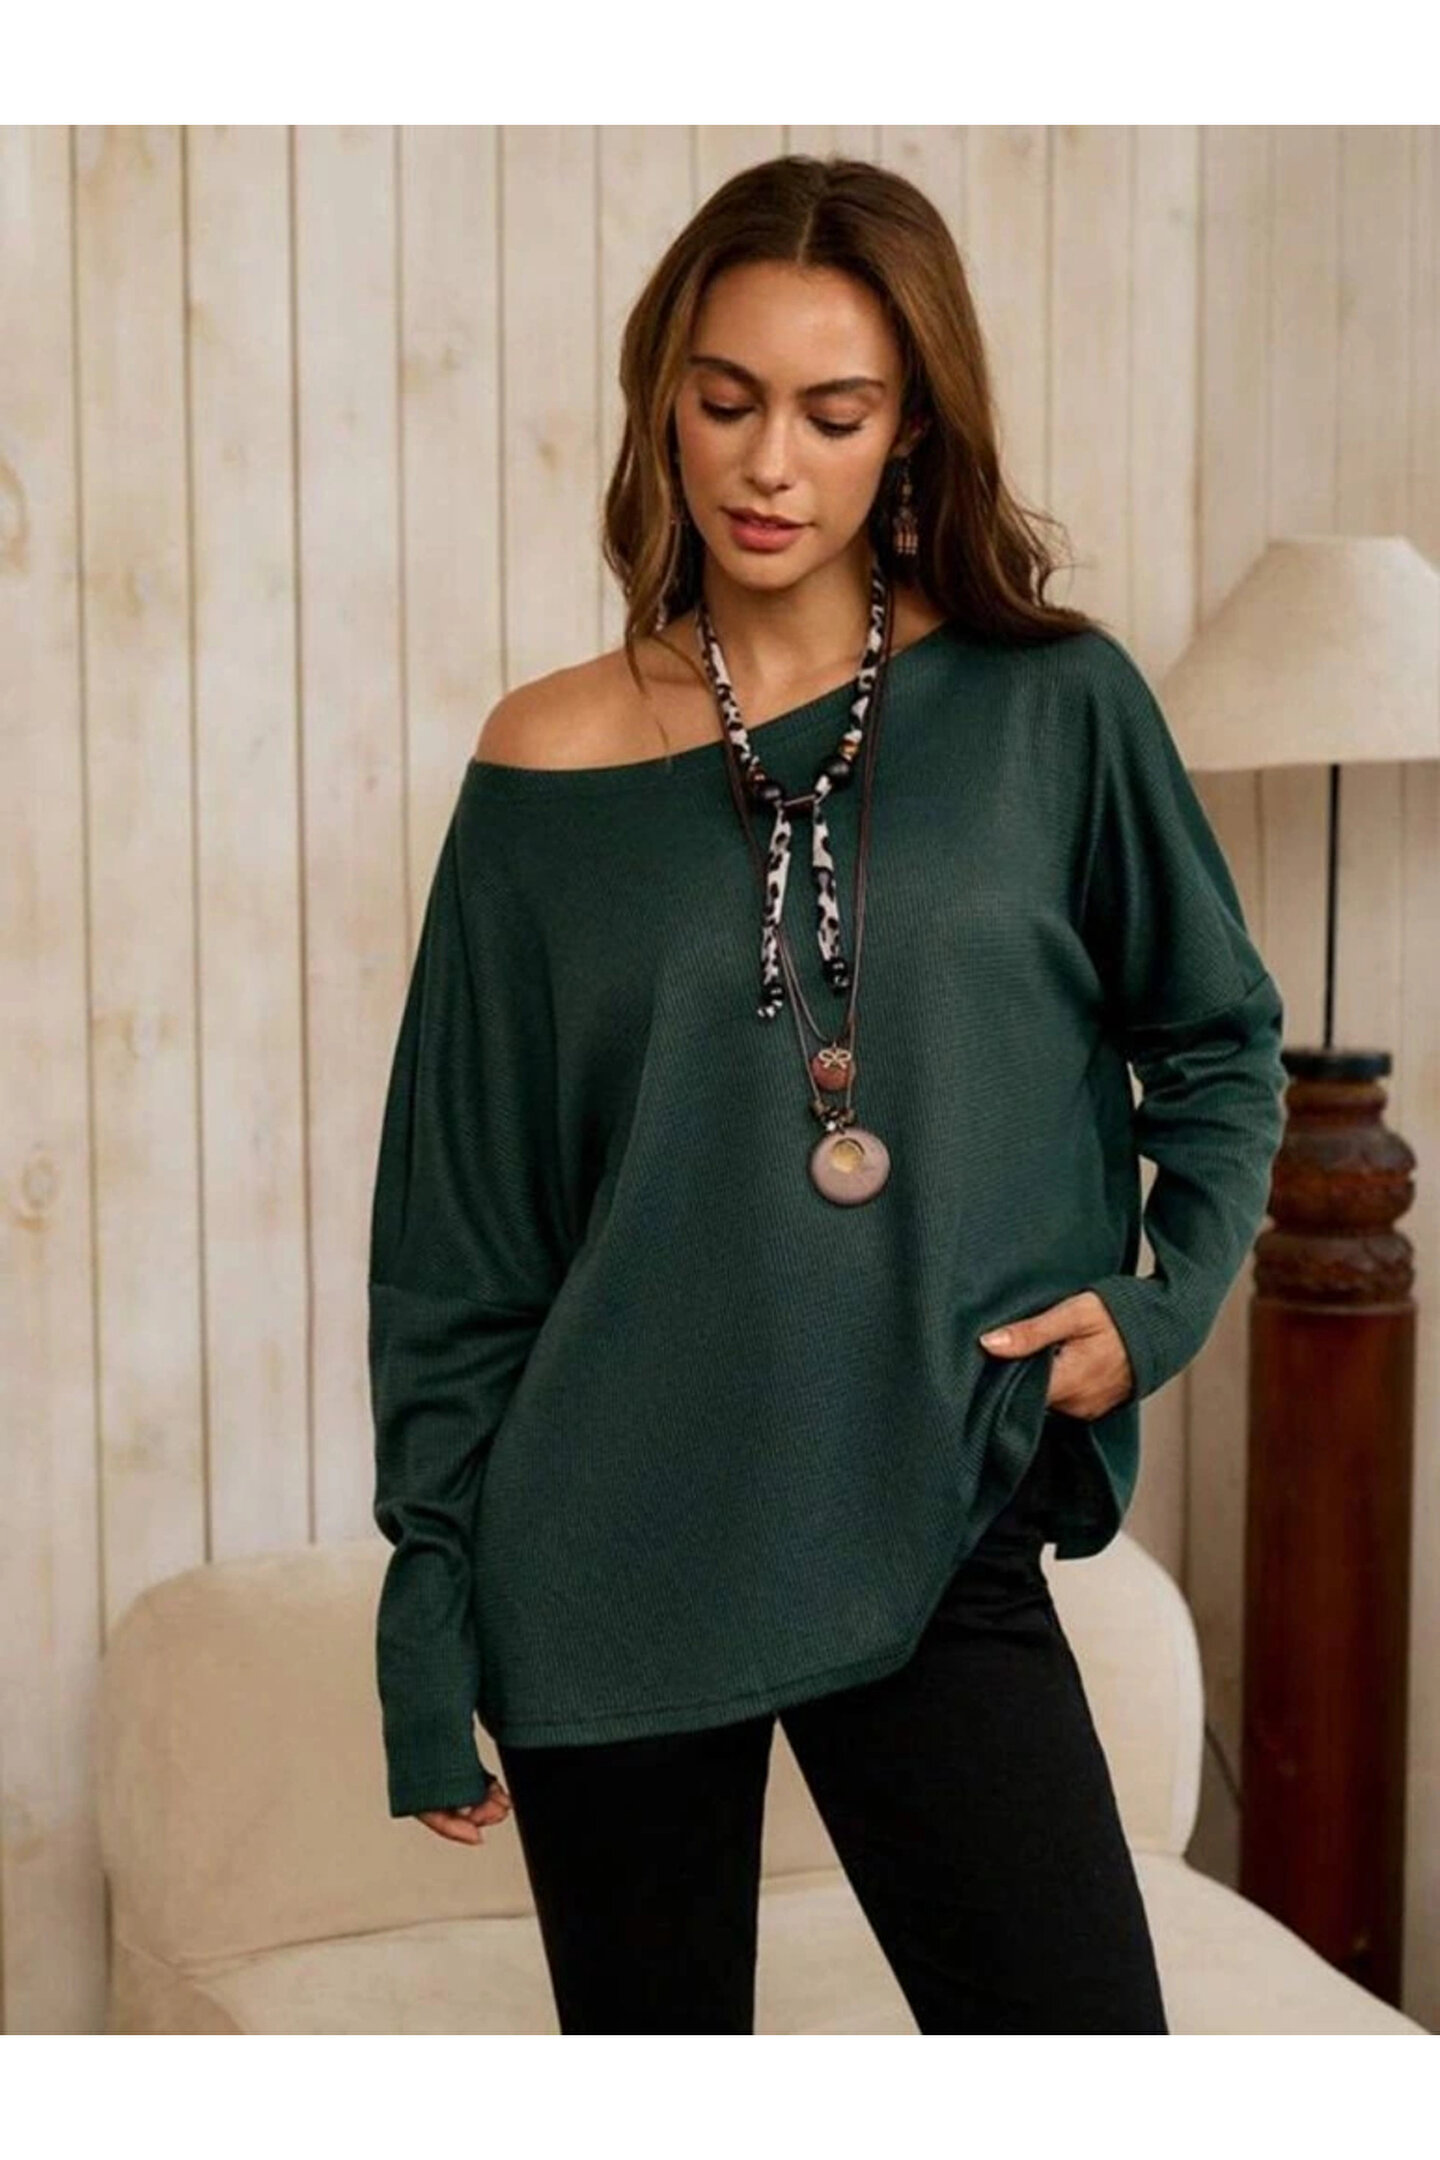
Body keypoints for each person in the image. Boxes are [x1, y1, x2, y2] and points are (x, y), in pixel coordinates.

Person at [367, 155, 1287, 2034]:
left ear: (912, 428)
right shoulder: (544, 760)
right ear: (664, 404)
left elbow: (1218, 1040)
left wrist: (1158, 1305)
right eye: (725, 401)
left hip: (934, 1494)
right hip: (605, 1541)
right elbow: (464, 1230)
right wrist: (430, 1590)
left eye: (832, 412)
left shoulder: (1054, 707)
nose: (768, 463)